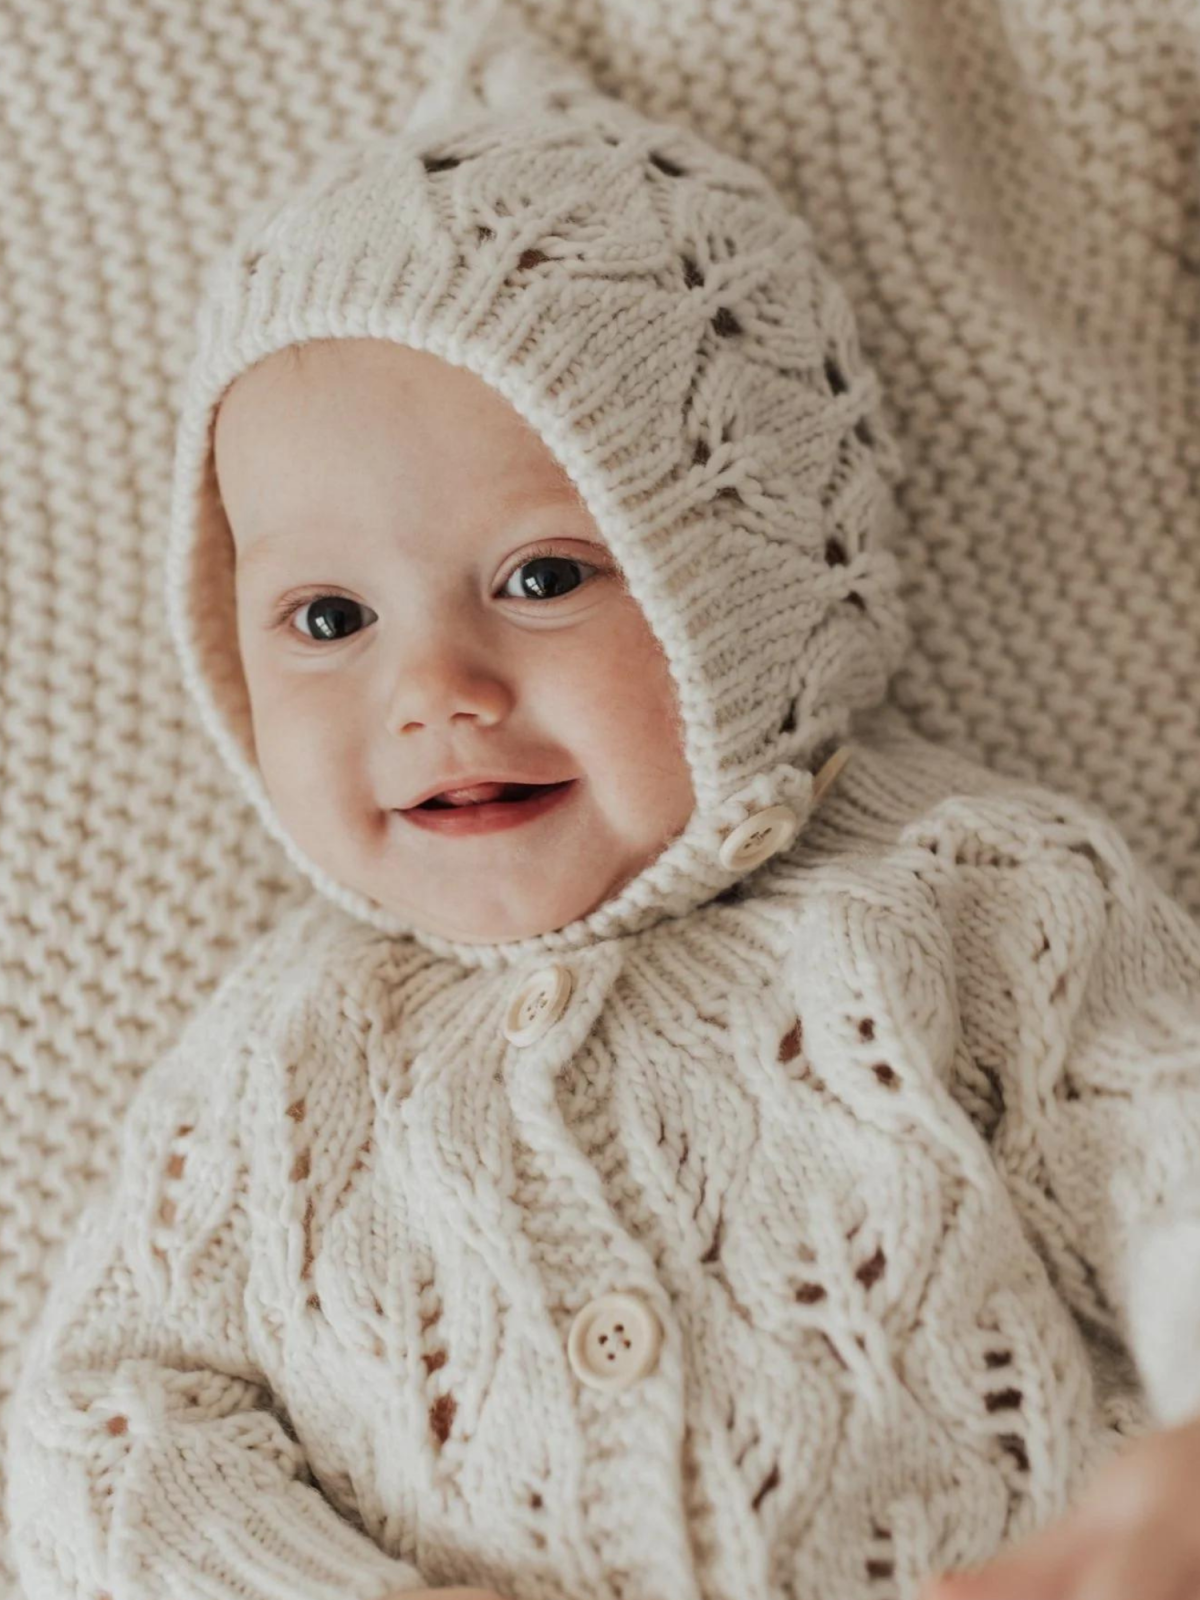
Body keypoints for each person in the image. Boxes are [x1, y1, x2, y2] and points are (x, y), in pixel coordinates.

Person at [8, 3, 1200, 1598]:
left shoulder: (980, 898)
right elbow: (106, 1432)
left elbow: (1168, 1156)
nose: (435, 689)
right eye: (328, 620)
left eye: (540, 577)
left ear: (756, 578)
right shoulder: (280, 1066)